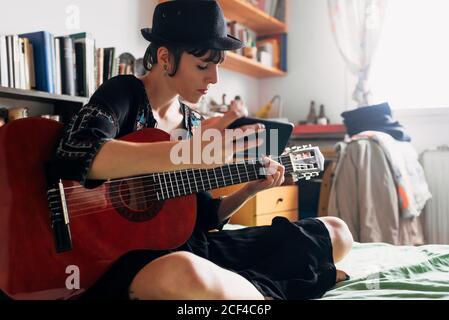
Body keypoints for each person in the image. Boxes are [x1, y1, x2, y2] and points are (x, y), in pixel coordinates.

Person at [50, 0, 353, 300]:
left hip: (191, 249)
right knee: (185, 273)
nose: (214, 78)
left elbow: (205, 217)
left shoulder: (193, 122)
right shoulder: (125, 92)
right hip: (127, 260)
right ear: (166, 58)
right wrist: (185, 155)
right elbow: (76, 153)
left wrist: (248, 191)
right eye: (202, 66)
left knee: (335, 233)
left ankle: (249, 287)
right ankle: (277, 285)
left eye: (216, 66)